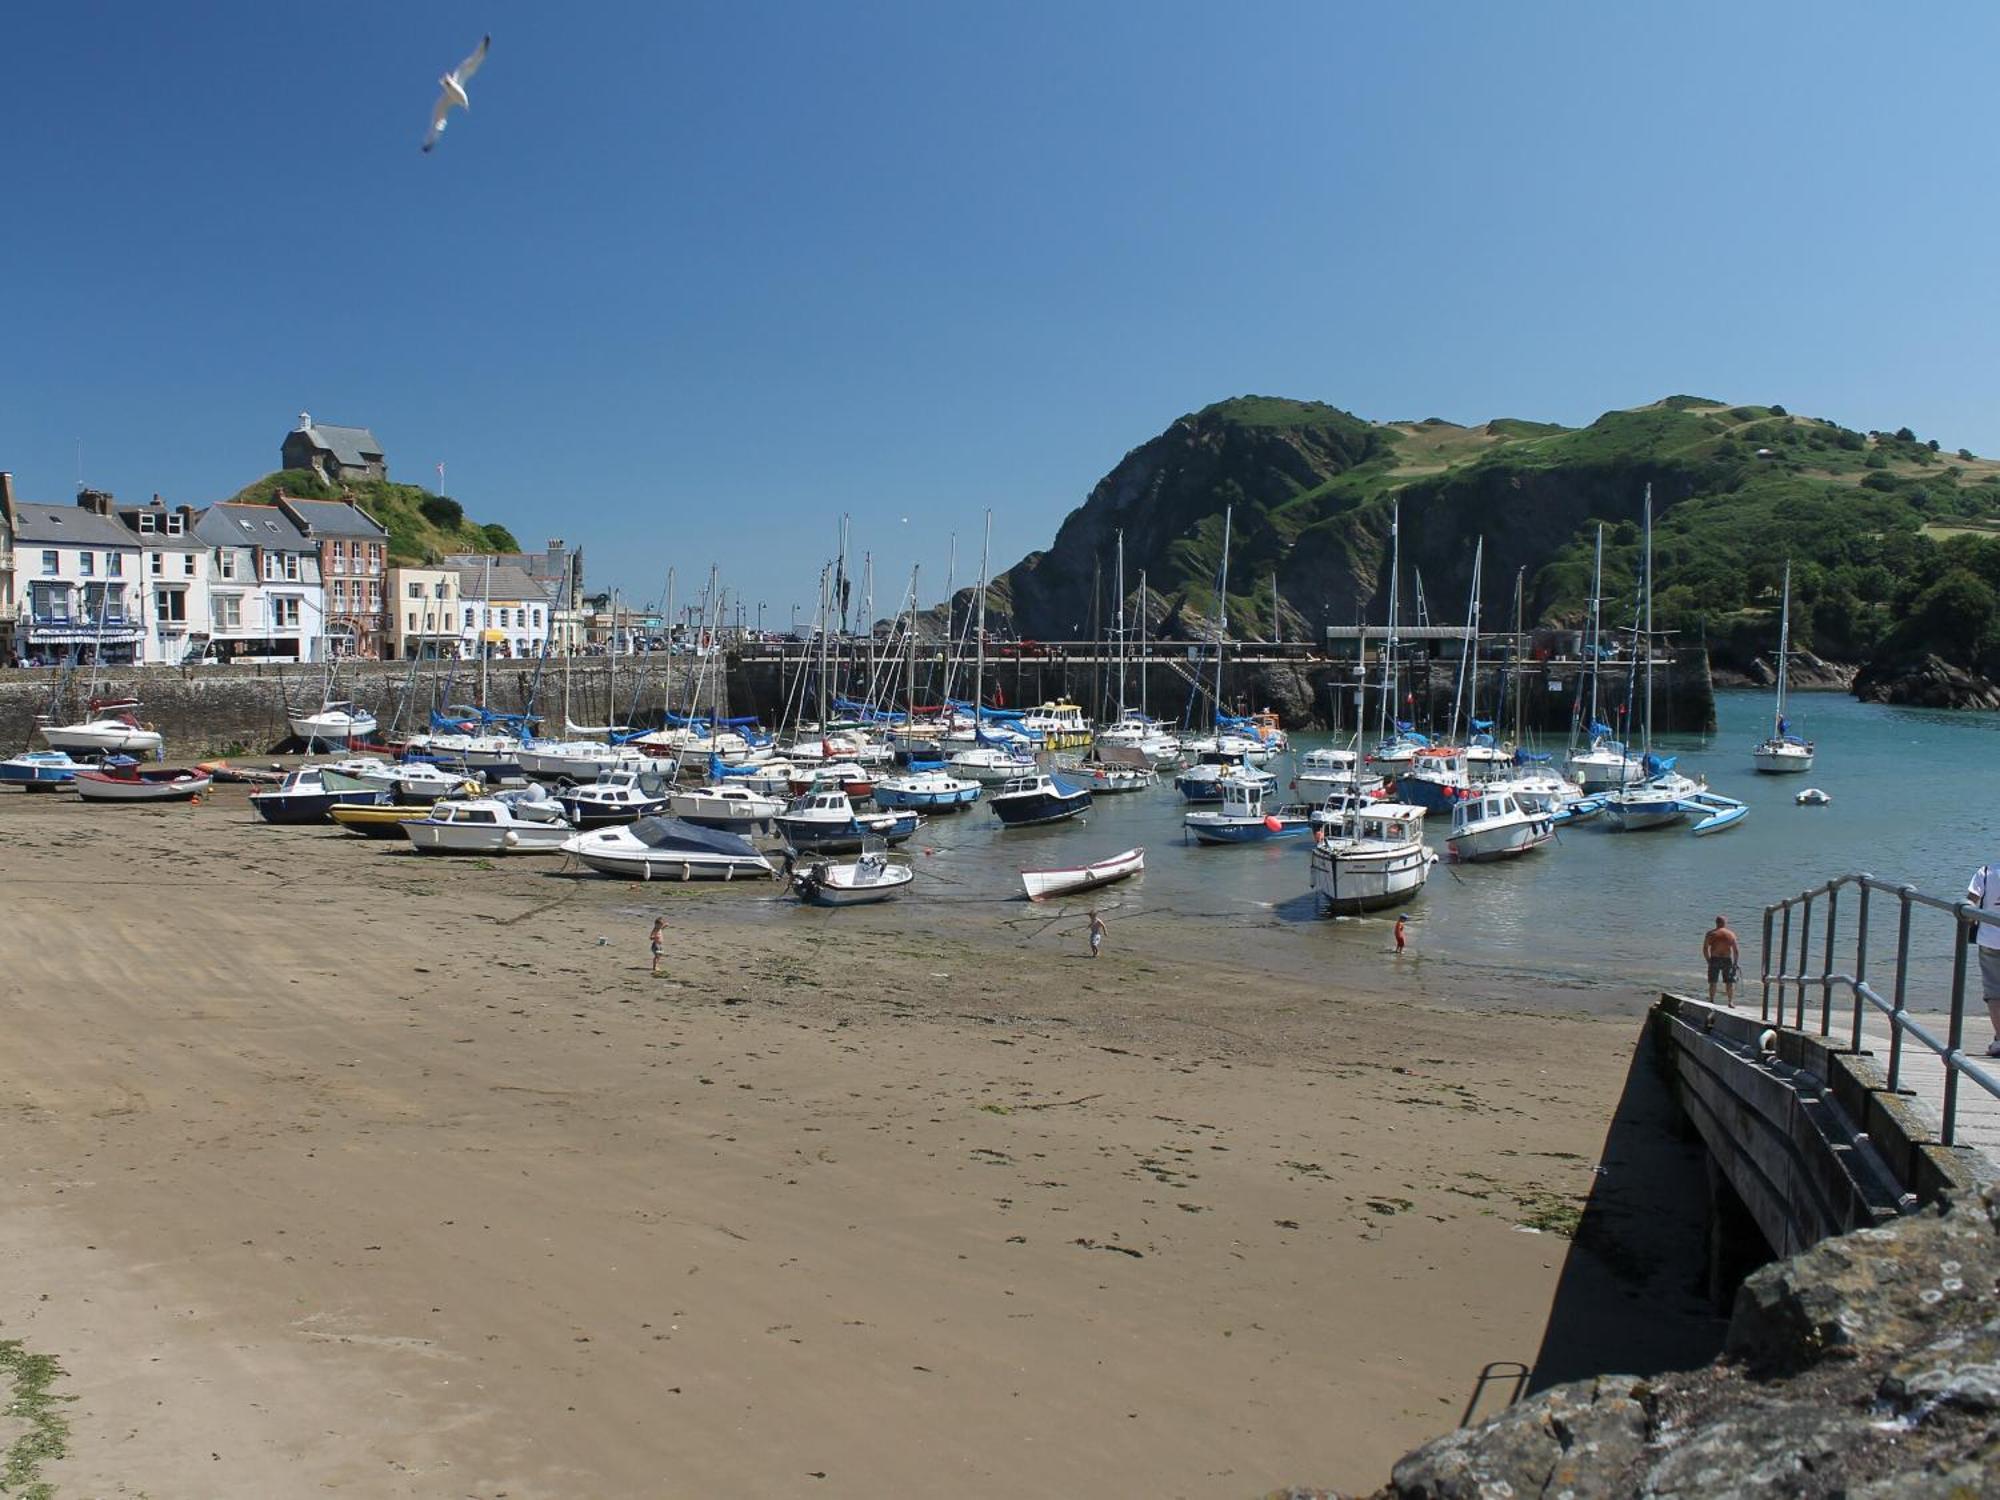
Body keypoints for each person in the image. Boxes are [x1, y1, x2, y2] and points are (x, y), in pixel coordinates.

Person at [1964, 862, 2000, 1057]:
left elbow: (1971, 902)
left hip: (1990, 938)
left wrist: (1966, 918)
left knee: (1994, 991)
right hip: (1990, 939)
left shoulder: (1986, 872)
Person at [1703, 915, 1740, 1006]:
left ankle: (1711, 1000)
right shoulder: (1731, 934)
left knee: (1713, 982)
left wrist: (1708, 960)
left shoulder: (1711, 933)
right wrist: (1735, 963)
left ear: (1716, 922)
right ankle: (1730, 1002)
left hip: (1714, 959)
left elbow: (1705, 948)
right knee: (1729, 982)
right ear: (1724, 923)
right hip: (1727, 959)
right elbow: (1736, 951)